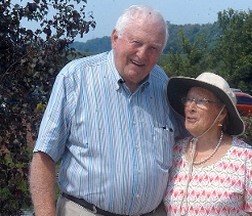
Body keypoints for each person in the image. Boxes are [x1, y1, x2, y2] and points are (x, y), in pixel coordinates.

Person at [29, 5, 184, 216]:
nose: (142, 54)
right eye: (136, 42)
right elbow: (44, 155)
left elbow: (188, 145)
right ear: (115, 38)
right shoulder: (76, 78)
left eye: (153, 48)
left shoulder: (163, 85)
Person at [163, 72, 252, 216]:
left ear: (221, 113)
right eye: (188, 99)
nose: (190, 107)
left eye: (200, 101)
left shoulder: (246, 159)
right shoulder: (176, 151)